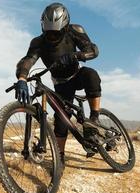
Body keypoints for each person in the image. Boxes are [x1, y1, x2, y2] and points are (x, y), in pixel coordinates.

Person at [15, 2, 107, 165]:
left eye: (56, 33)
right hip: (60, 84)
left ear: (65, 27)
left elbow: (93, 49)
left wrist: (76, 55)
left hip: (77, 74)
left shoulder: (75, 31)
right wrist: (22, 78)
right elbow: (28, 60)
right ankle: (60, 158)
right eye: (48, 33)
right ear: (43, 27)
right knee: (61, 119)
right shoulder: (38, 42)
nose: (52, 37)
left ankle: (94, 119)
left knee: (91, 75)